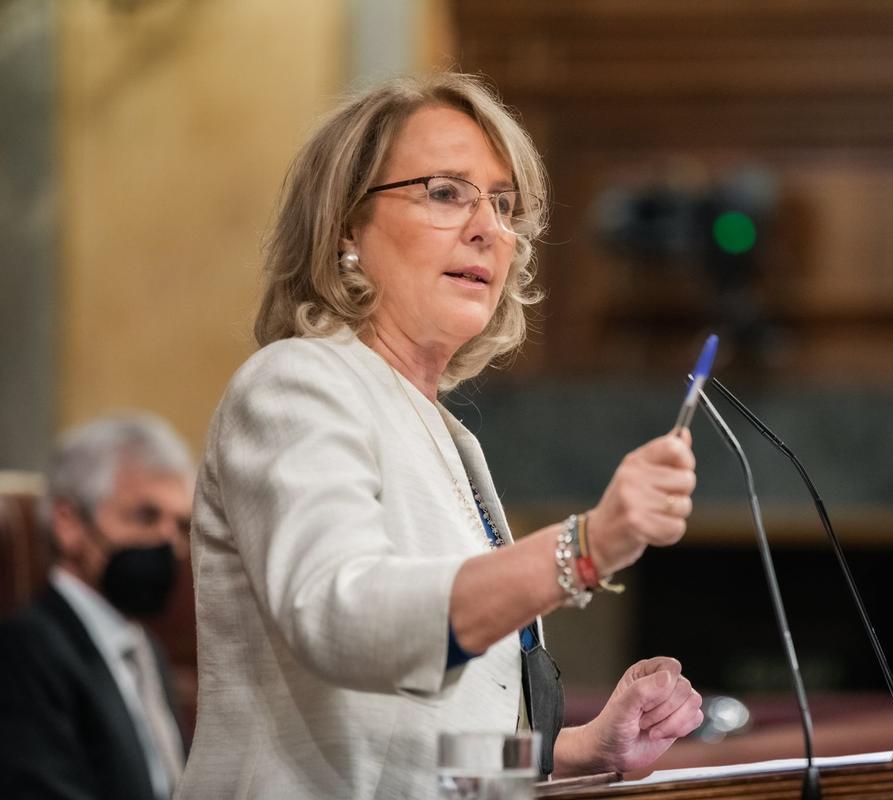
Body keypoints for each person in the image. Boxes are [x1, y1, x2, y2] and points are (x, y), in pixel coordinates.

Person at [175, 72, 702, 799]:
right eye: (446, 192)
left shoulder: (449, 437)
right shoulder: (295, 385)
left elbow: (417, 745)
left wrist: (577, 750)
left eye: (504, 203)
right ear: (345, 230)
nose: (490, 228)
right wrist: (582, 549)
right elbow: (344, 619)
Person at [0, 413, 193, 800]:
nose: (170, 544)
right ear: (69, 524)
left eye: (182, 525)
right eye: (146, 516)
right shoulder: (25, 651)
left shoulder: (144, 647)